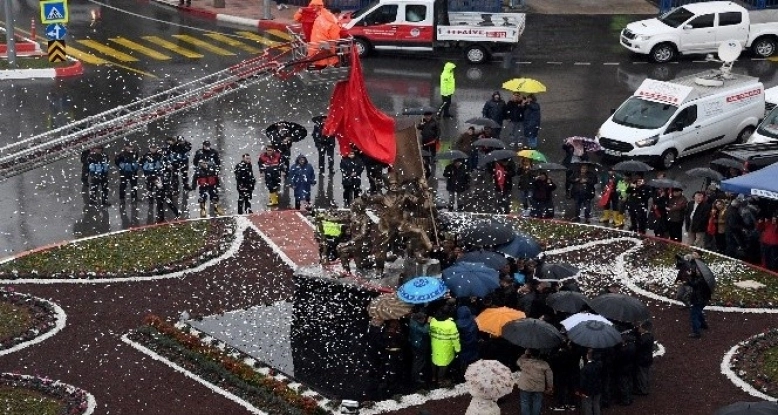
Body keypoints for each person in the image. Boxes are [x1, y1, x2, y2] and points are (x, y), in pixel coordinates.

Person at [516, 349, 554, 415]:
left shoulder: (524, 361)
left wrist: (525, 354)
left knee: (525, 401)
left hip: (525, 385)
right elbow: (549, 376)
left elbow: (518, 362)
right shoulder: (544, 364)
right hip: (538, 386)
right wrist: (549, 387)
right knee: (537, 402)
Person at [429, 307, 460, 386]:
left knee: (435, 360)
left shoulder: (433, 321)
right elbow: (455, 338)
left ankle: (433, 377)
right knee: (444, 364)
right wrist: (457, 349)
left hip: (435, 344)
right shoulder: (450, 324)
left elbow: (430, 332)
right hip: (446, 347)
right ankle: (440, 380)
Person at [685, 261, 711, 338]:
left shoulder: (701, 280)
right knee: (698, 312)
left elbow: (693, 284)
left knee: (694, 315)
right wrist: (692, 276)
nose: (696, 271)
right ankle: (703, 324)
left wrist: (689, 277)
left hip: (698, 300)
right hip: (703, 300)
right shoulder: (705, 279)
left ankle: (696, 332)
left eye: (697, 270)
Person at [454, 306, 479, 378]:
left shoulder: (456, 323)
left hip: (463, 345)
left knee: (463, 360)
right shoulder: (474, 319)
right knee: (473, 359)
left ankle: (463, 375)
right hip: (473, 343)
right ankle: (473, 375)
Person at [578, 349, 603, 415]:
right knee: (596, 404)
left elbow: (582, 382)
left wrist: (581, 391)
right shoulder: (599, 366)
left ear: (587, 356)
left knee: (588, 405)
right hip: (597, 389)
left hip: (588, 390)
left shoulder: (585, 369)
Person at [634, 320, 654, 396]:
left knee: (642, 375)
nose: (639, 328)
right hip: (648, 358)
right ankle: (645, 387)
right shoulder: (650, 336)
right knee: (646, 374)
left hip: (643, 359)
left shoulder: (644, 338)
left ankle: (643, 390)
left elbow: (638, 345)